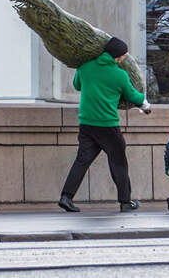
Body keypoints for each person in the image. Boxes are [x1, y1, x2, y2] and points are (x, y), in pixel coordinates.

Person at [58, 37, 151, 213]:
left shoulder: (85, 67)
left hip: (86, 123)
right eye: (123, 56)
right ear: (118, 57)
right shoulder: (120, 75)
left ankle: (66, 196)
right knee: (119, 163)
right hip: (108, 126)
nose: (124, 59)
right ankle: (125, 202)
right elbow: (133, 96)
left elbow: (77, 85)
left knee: (81, 162)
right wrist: (145, 105)